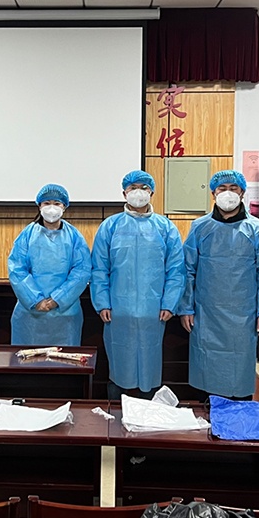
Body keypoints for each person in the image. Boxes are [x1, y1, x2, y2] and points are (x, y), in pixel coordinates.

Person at [178, 170, 259, 400]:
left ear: (242, 192)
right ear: (213, 193)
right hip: (206, 315)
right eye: (222, 189)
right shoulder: (200, 227)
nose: (228, 193)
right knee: (207, 383)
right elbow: (187, 270)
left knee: (238, 379)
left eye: (233, 188)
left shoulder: (258, 229)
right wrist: (186, 308)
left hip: (243, 317)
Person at [91, 170, 184, 400]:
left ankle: (148, 412)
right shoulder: (110, 227)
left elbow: (176, 270)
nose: (138, 192)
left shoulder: (165, 228)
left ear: (152, 192)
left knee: (149, 367)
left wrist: (170, 303)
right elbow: (99, 269)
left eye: (143, 187)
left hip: (154, 312)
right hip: (117, 312)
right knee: (118, 367)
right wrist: (102, 303)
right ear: (124, 193)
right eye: (133, 188)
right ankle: (115, 412)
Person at [8, 184, 91, 346]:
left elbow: (81, 271)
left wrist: (57, 299)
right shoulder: (27, 235)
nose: (51, 208)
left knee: (64, 359)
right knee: (29, 359)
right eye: (47, 203)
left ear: (64, 206)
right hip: (30, 313)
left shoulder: (74, 236)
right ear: (39, 206)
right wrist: (36, 300)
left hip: (65, 313)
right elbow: (17, 269)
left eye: (57, 203)